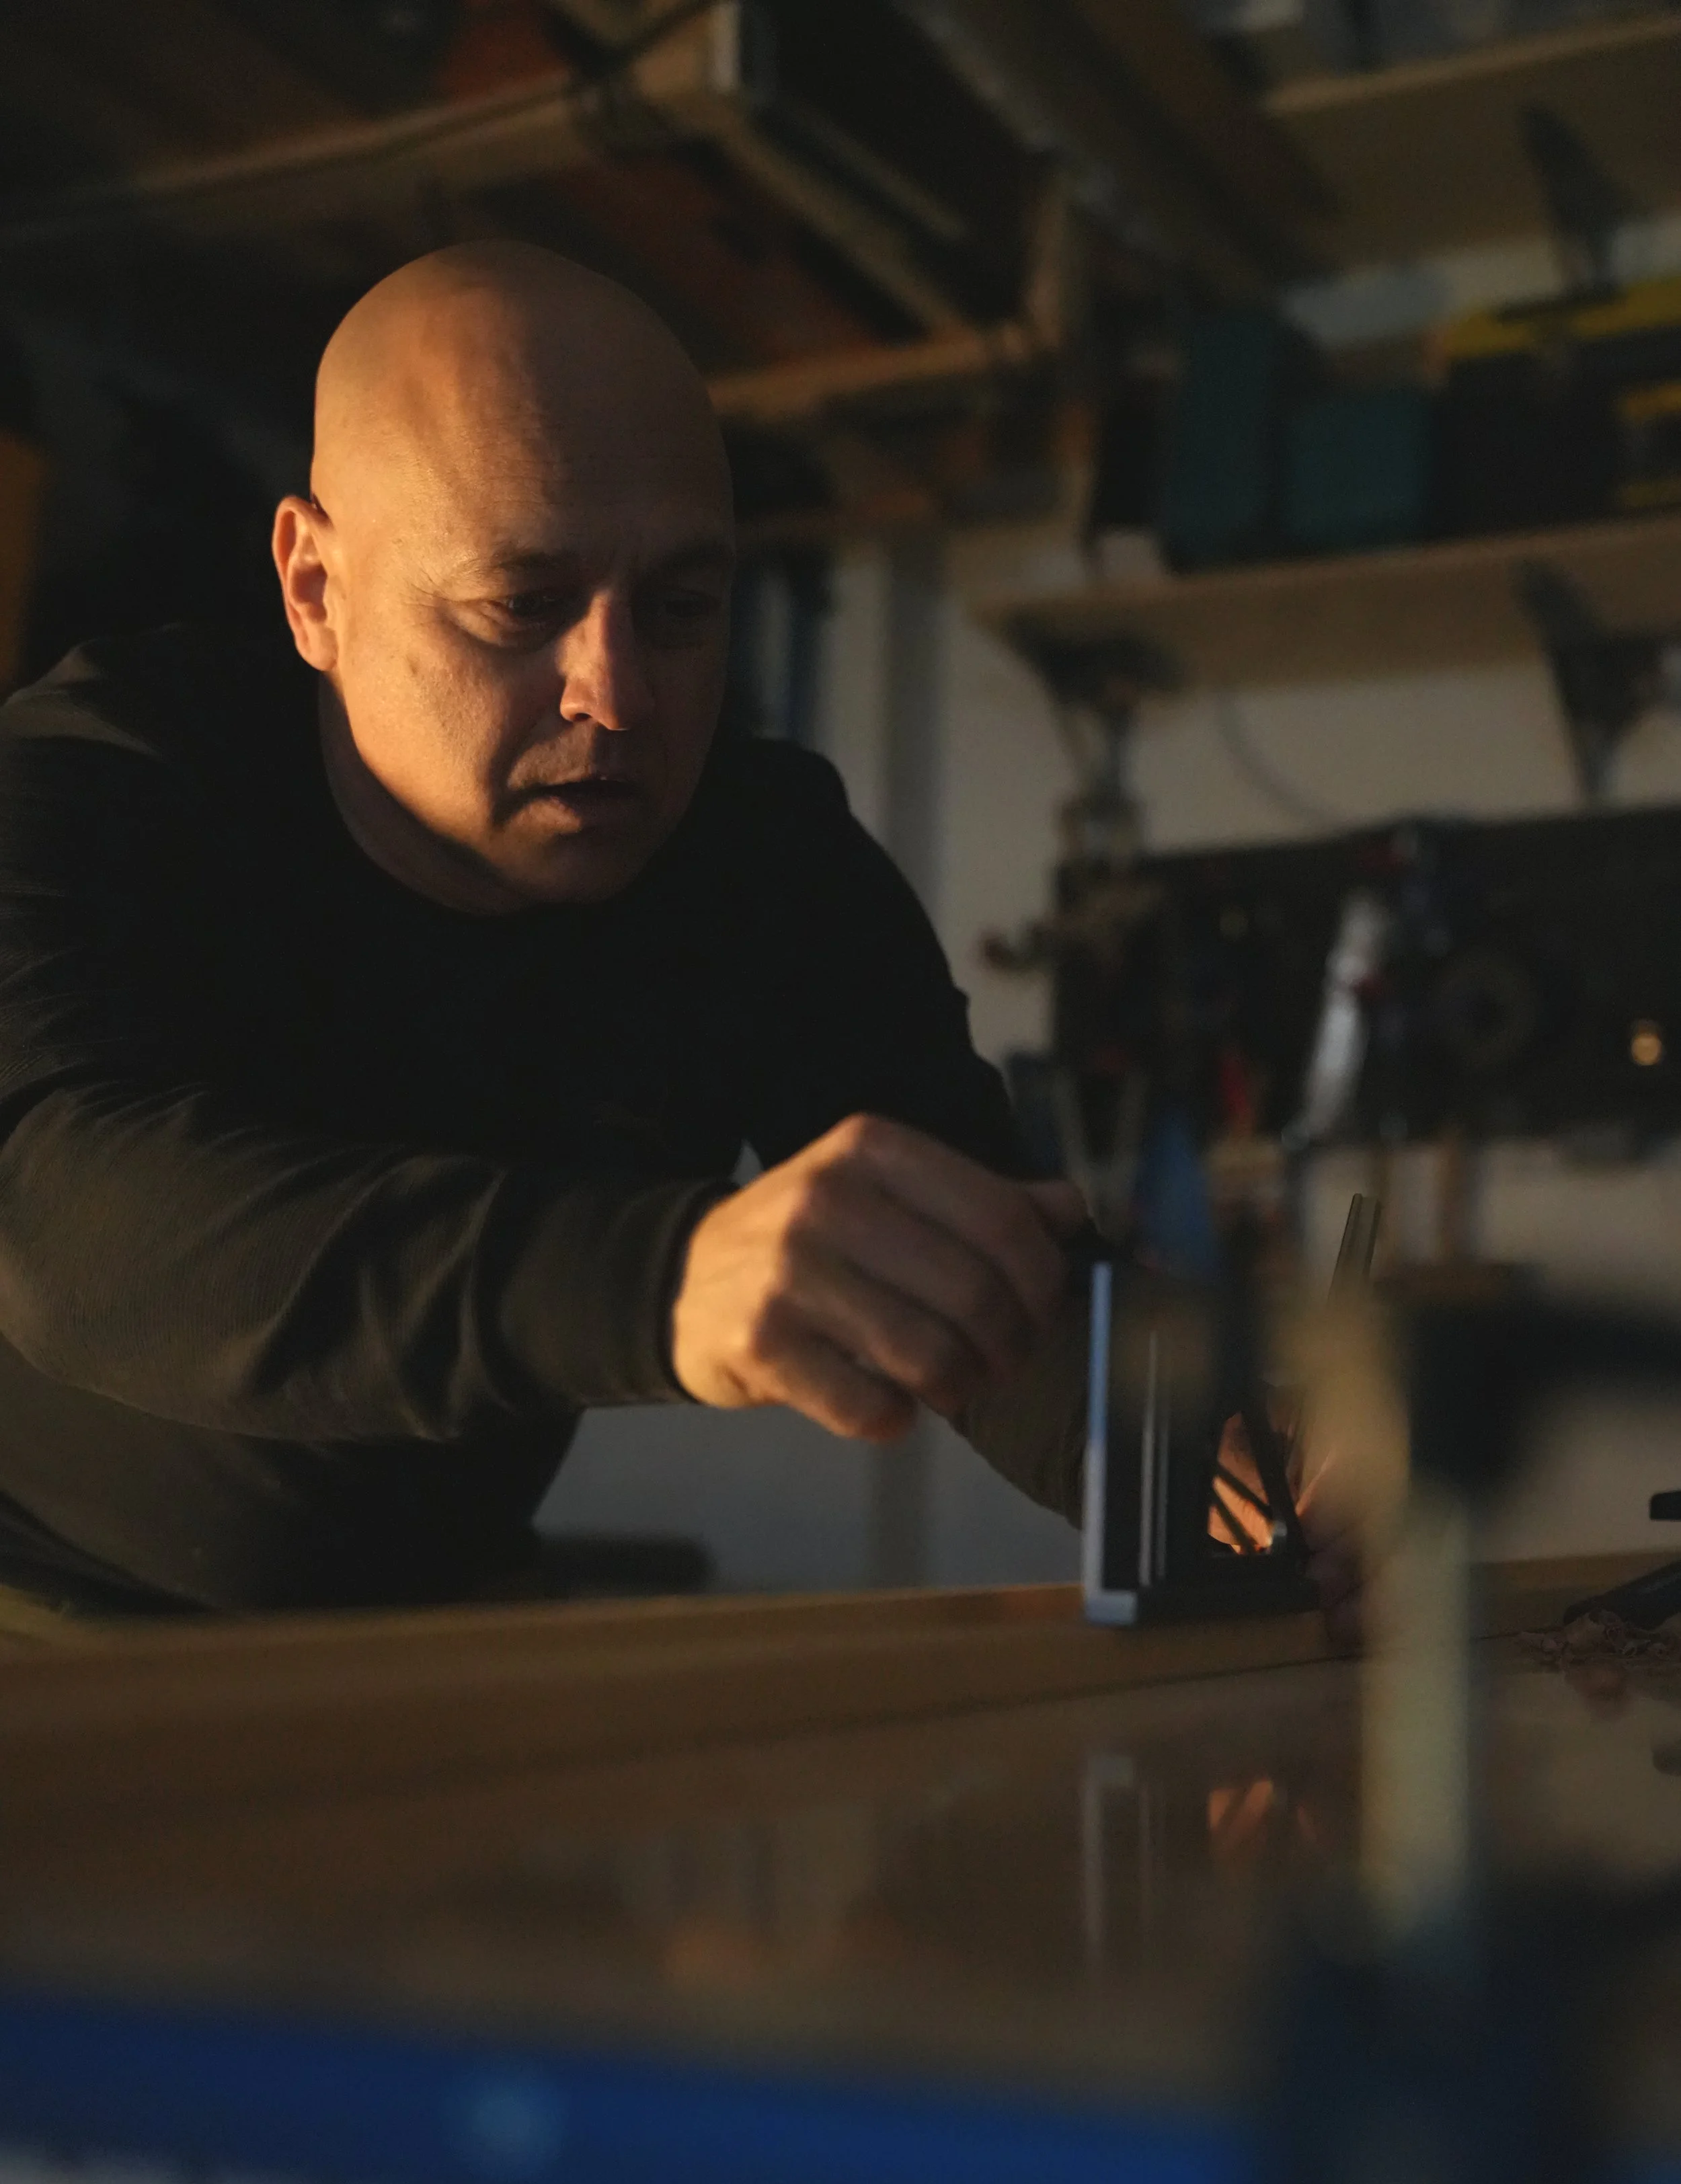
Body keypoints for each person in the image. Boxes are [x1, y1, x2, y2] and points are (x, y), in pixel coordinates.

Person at [0, 242, 1092, 1619]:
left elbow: (987, 1274)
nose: (618, 698)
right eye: (521, 605)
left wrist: (1230, 1448)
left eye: (680, 609)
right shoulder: (96, 784)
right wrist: (664, 1281)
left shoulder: (762, 861)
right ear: (316, 589)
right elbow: (66, 1229)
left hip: (429, 1614)